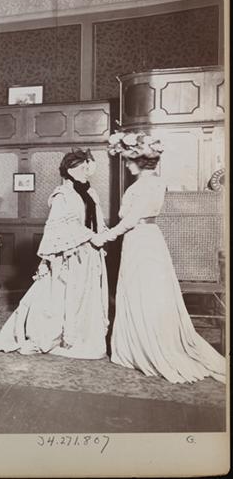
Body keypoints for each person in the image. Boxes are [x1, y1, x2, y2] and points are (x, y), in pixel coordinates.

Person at [95, 132, 225, 383]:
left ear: (139, 160)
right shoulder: (157, 182)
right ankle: (141, 343)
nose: (127, 165)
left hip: (139, 238)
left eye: (129, 160)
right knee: (150, 291)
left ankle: (145, 347)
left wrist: (105, 237)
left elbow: (130, 220)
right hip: (150, 237)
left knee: (142, 291)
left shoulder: (143, 186)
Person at [0, 149, 109, 360]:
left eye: (86, 167)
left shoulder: (90, 193)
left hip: (90, 254)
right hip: (70, 253)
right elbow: (62, 226)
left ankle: (80, 337)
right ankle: (57, 336)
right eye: (81, 167)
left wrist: (102, 235)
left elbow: (97, 220)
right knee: (61, 295)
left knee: (85, 296)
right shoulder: (62, 195)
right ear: (70, 170)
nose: (86, 171)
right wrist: (90, 237)